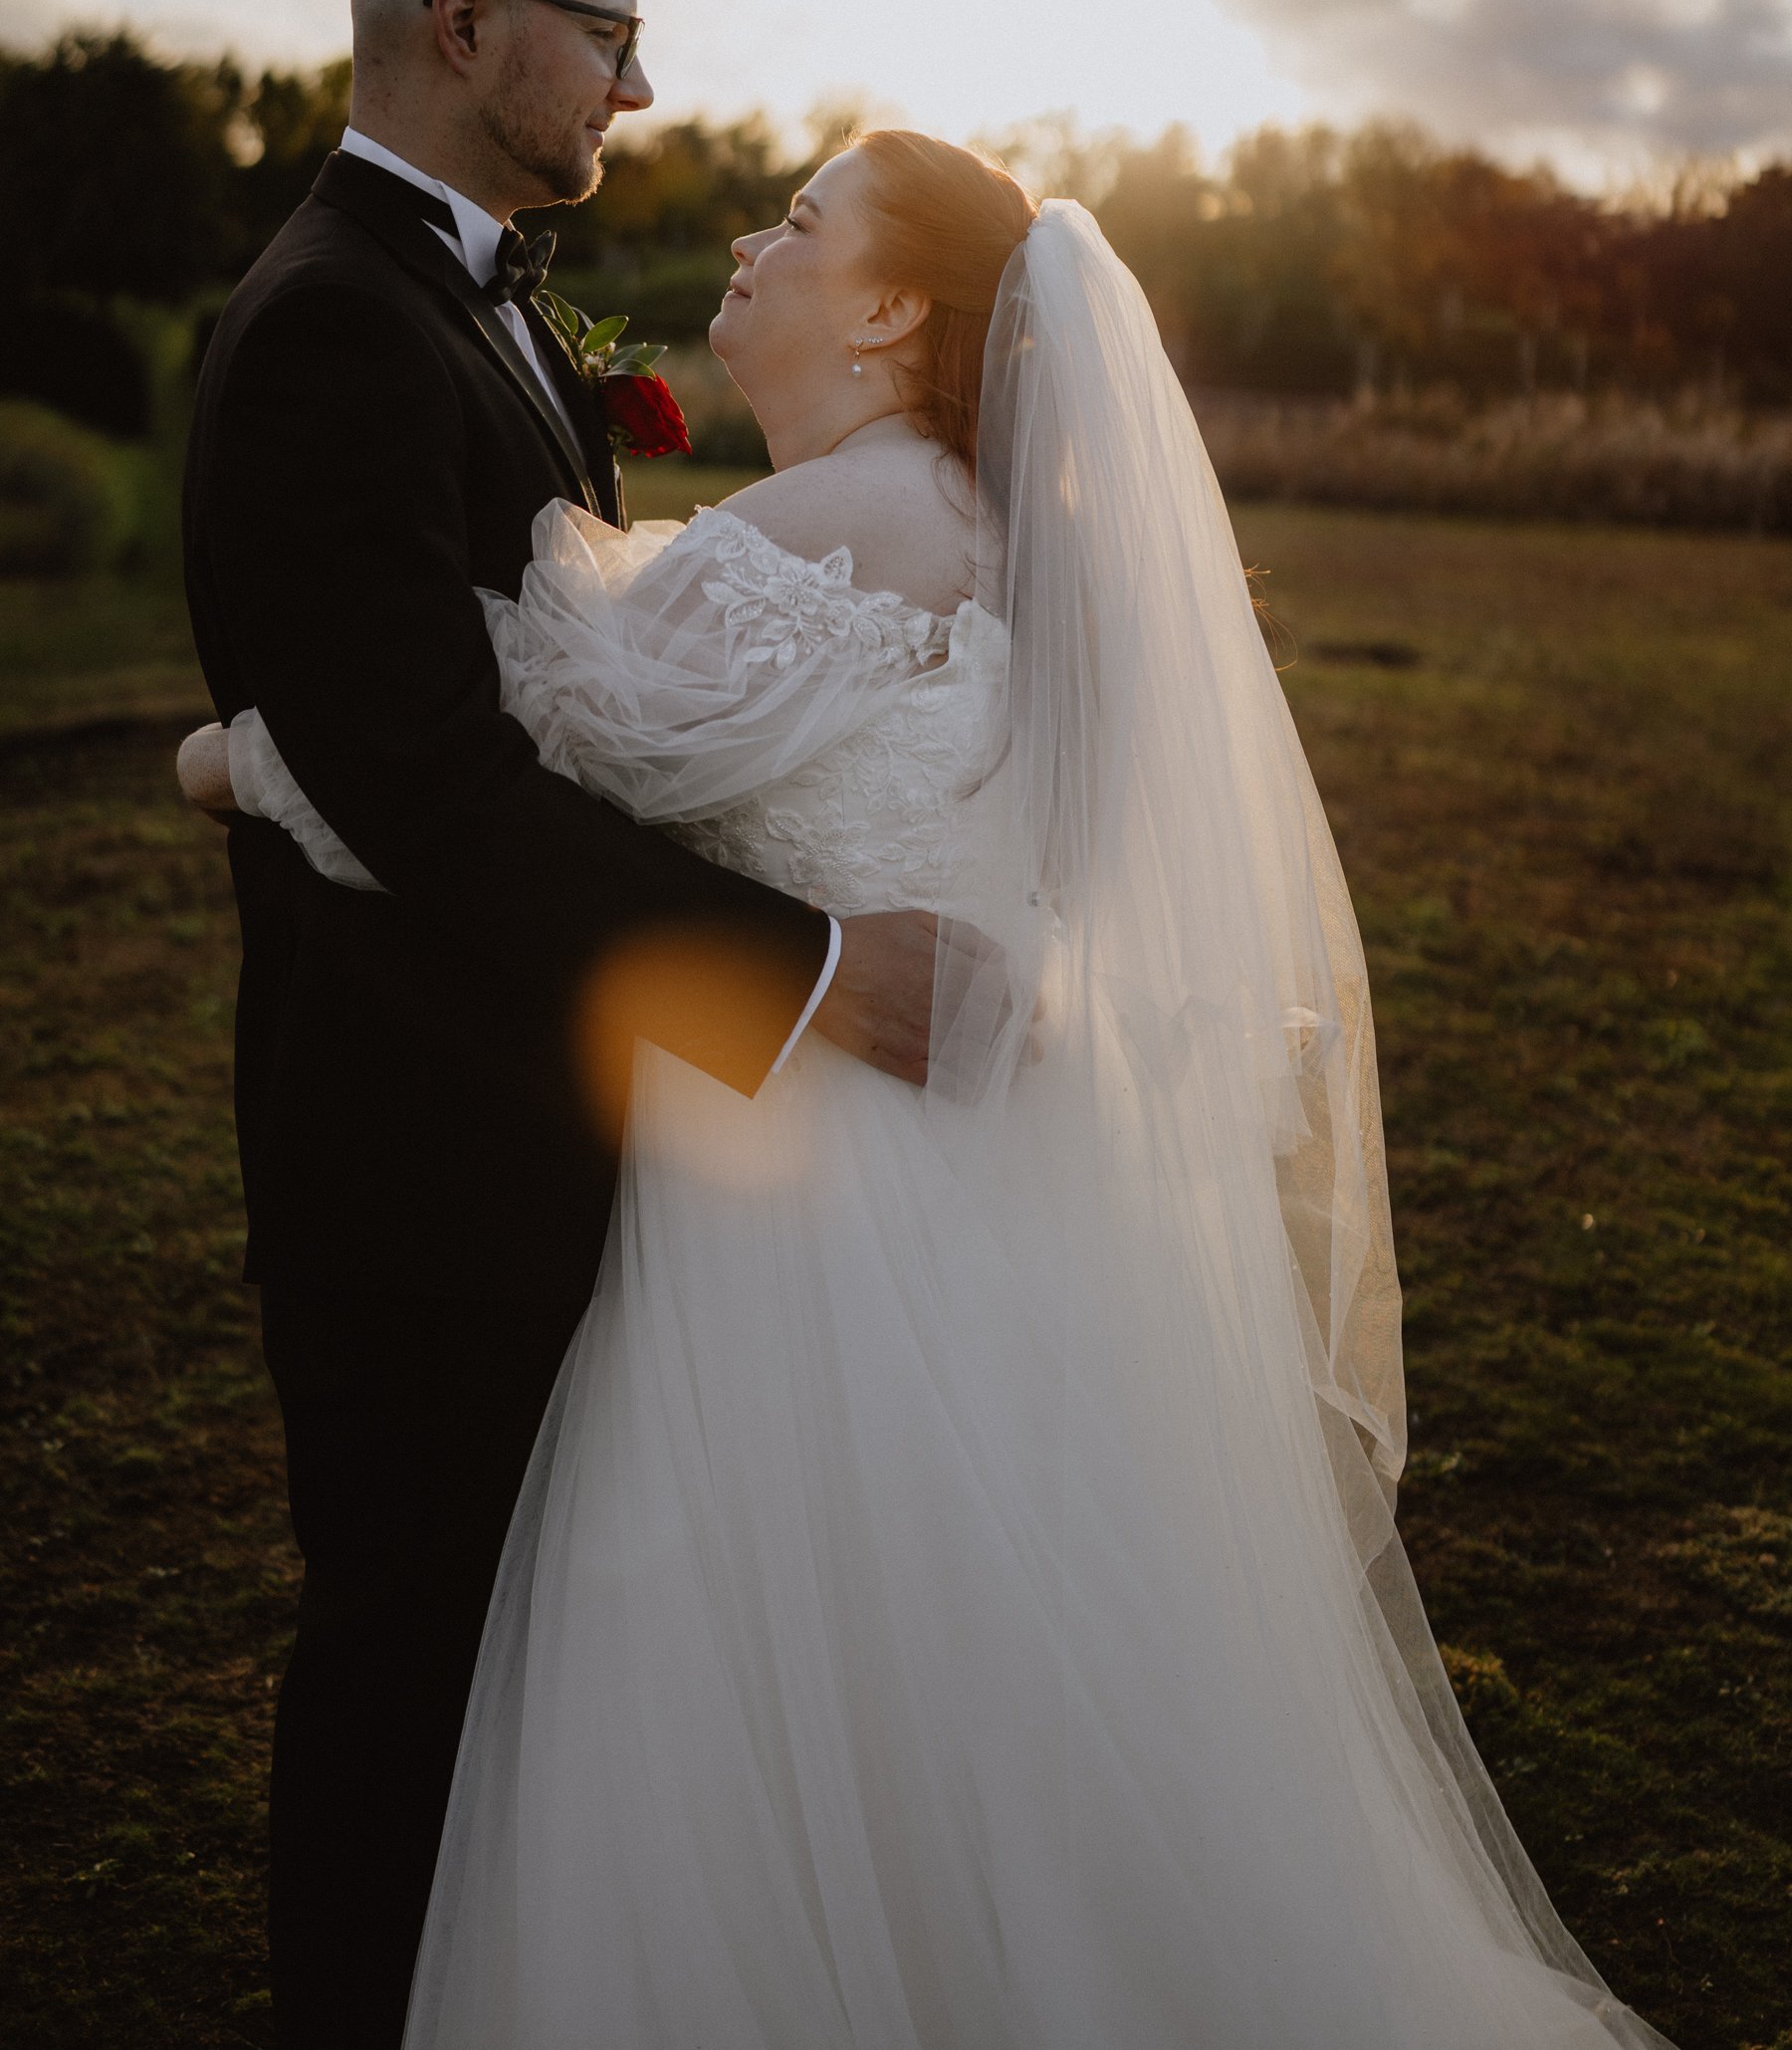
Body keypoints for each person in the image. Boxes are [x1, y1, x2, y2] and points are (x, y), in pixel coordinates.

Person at [187, 128, 1675, 2048]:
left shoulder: (832, 528)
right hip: (993, 1178)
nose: (749, 235)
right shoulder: (985, 519)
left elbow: (488, 773)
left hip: (818, 1204)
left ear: (895, 309)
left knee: (789, 1667)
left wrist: (228, 761)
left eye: (799, 222)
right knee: (989, 1692)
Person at [177, 0, 940, 2050]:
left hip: (536, 1125)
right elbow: (436, 791)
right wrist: (801, 974)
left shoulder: (492, 300)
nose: (640, 77)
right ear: (467, 19)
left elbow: (546, 700)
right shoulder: (333, 318)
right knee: (414, 1667)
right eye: (611, 36)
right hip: (411, 1153)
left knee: (541, 1681)